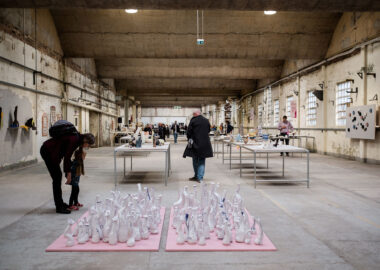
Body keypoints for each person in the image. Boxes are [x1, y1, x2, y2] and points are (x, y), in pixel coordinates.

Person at [40, 132, 95, 214]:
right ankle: (59, 207)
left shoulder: (77, 138)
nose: (88, 147)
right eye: (89, 145)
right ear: (85, 141)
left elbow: (67, 156)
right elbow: (67, 157)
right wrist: (68, 173)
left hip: (52, 151)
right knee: (57, 177)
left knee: (57, 176)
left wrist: (68, 171)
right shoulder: (75, 140)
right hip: (47, 150)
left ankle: (60, 203)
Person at [183, 110, 213, 182]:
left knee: (195, 160)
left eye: (193, 114)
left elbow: (189, 132)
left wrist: (190, 138)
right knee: (202, 160)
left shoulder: (193, 120)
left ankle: (197, 176)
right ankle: (200, 177)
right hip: (204, 144)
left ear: (195, 114)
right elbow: (209, 130)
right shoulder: (206, 120)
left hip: (195, 143)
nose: (193, 115)